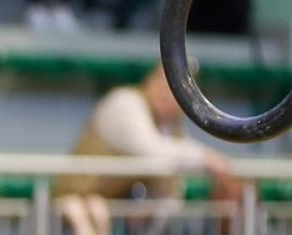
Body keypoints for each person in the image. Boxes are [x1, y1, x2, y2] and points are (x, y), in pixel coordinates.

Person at [56, 64, 233, 202]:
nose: (167, 94)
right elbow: (153, 154)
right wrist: (206, 158)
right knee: (89, 210)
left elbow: (172, 176)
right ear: (150, 80)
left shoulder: (171, 125)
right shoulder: (125, 103)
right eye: (164, 85)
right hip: (75, 205)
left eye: (175, 91)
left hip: (118, 215)